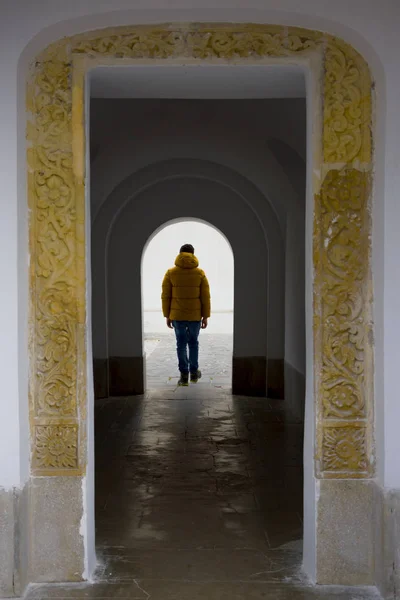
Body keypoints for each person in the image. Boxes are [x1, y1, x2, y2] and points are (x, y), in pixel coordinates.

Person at [161, 244, 211, 386]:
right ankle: (194, 373)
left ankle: (184, 376)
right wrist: (205, 316)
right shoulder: (200, 273)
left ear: (180, 254)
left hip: (177, 316)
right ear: (193, 255)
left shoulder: (170, 273)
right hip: (195, 317)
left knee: (181, 344)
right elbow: (205, 297)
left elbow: (166, 296)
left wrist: (167, 315)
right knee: (193, 343)